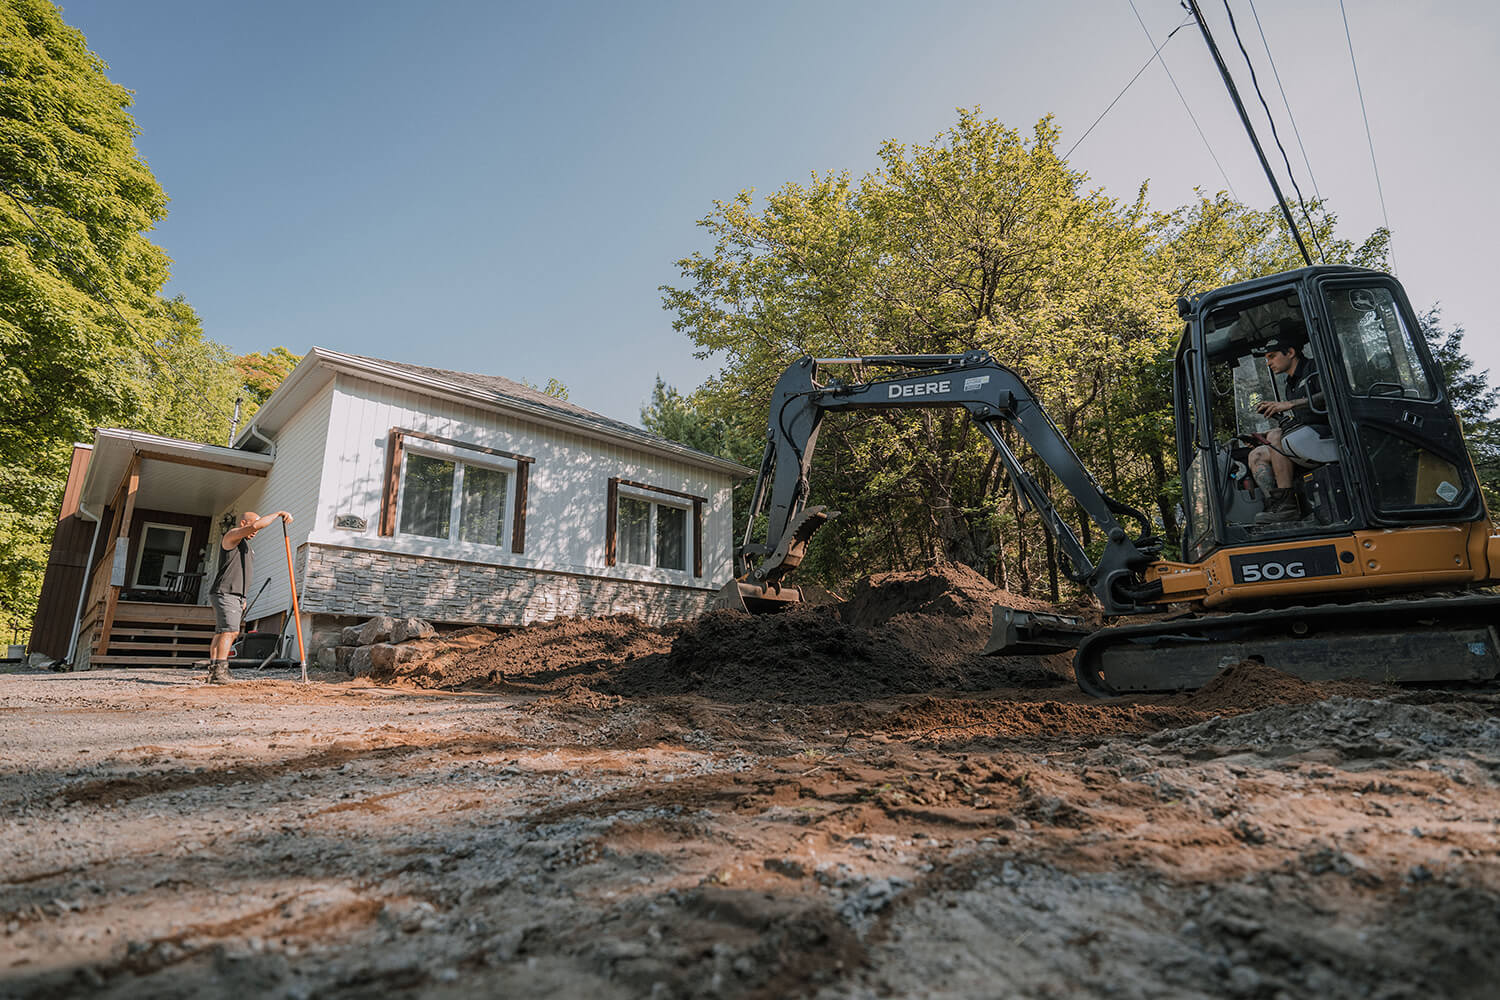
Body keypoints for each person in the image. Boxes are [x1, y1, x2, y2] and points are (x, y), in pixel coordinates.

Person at [1247, 320, 1339, 525]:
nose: (1269, 363)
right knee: (1257, 454)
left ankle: (1288, 508)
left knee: (1276, 437)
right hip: (1306, 436)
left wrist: (1289, 404)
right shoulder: (1290, 384)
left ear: (1290, 352)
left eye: (1272, 356)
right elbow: (1298, 419)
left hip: (1331, 433)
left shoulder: (1315, 368)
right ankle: (1278, 503)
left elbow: (1330, 395)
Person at [204, 510, 292, 683]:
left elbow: (241, 573)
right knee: (231, 631)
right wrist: (279, 513)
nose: (255, 531)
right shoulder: (232, 536)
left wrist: (243, 597)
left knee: (222, 632)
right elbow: (257, 524)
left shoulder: (247, 546)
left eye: (256, 530)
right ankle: (220, 673)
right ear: (243, 523)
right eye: (252, 527)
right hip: (225, 591)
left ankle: (214, 670)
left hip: (235, 595)